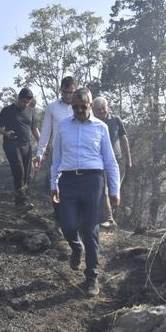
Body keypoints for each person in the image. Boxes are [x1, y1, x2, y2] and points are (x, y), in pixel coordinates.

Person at [51, 88, 120, 297]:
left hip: (93, 181)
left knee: (91, 231)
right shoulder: (63, 126)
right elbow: (55, 159)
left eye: (84, 106)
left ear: (90, 105)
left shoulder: (101, 128)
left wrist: (114, 190)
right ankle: (75, 247)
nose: (80, 111)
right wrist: (53, 184)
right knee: (67, 225)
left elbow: (110, 160)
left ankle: (92, 277)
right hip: (68, 181)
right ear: (71, 106)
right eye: (76, 107)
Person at [33, 76, 76, 225]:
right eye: (65, 92)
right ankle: (58, 220)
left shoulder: (81, 106)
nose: (68, 96)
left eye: (71, 92)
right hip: (58, 153)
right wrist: (40, 154)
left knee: (73, 188)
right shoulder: (52, 107)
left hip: (77, 155)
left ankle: (72, 222)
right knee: (56, 185)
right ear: (61, 90)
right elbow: (45, 132)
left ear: (75, 90)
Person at [0, 88, 40, 208]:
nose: (25, 105)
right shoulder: (7, 110)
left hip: (26, 145)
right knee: (19, 170)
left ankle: (22, 198)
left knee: (26, 172)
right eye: (24, 102)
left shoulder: (31, 111)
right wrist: (6, 133)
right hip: (11, 144)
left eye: (27, 103)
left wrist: (42, 144)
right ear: (18, 99)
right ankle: (21, 199)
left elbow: (34, 129)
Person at [93, 97, 132, 228]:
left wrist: (129, 159)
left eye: (103, 108)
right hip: (101, 162)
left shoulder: (116, 120)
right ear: (94, 111)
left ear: (107, 107)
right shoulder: (93, 123)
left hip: (118, 160)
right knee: (104, 188)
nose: (101, 111)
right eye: (98, 110)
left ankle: (112, 218)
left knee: (115, 191)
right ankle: (108, 218)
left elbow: (124, 139)